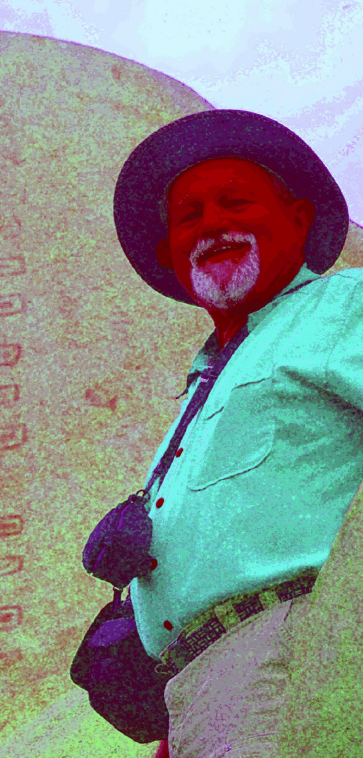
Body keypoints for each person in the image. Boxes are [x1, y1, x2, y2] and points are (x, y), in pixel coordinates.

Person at [110, 109, 362, 757]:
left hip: (291, 653)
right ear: (170, 251)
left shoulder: (340, 308)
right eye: (188, 216)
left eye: (236, 201)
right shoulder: (202, 383)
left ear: (299, 221)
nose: (213, 224)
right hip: (198, 693)